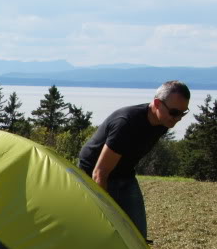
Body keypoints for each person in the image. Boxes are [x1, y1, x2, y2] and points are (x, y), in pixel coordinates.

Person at [77, 80, 190, 239]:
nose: (178, 118)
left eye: (183, 113)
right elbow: (99, 173)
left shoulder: (163, 122)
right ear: (157, 103)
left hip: (125, 175)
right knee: (104, 230)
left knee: (138, 236)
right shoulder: (126, 123)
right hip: (94, 174)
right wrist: (103, 211)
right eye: (174, 112)